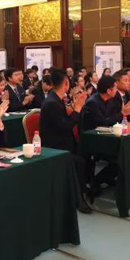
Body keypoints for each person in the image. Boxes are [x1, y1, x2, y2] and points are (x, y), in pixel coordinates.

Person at [40, 69, 91, 213]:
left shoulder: (56, 98)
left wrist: (75, 108)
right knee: (79, 162)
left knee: (86, 152)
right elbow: (66, 126)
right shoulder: (51, 103)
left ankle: (82, 188)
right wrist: (78, 109)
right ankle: (78, 199)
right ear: (66, 84)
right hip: (55, 146)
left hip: (63, 140)